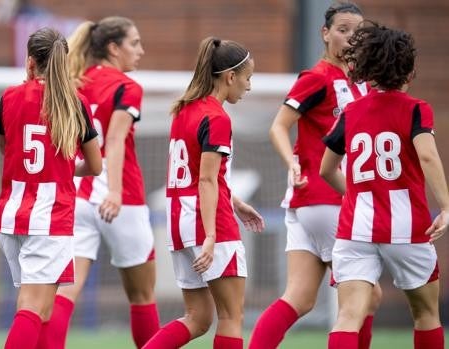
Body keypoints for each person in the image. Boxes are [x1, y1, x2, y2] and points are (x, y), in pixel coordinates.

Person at [249, 3, 381, 348]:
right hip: (328, 199)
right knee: (365, 296)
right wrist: (290, 163)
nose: (351, 37)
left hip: (311, 204)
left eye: (358, 31)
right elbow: (279, 126)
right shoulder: (316, 78)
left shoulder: (362, 81)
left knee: (300, 297)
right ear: (325, 34)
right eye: (343, 30)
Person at [320, 22, 447, 349]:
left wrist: (356, 195)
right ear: (408, 69)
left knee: (349, 315)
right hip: (408, 228)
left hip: (355, 229)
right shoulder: (417, 109)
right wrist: (446, 207)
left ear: (367, 67)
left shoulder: (351, 111)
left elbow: (326, 169)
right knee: (426, 314)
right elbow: (429, 158)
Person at [41, 16, 160, 349]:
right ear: (113, 47)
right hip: (122, 199)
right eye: (134, 43)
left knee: (66, 290)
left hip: (79, 195)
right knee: (142, 295)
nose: (141, 50)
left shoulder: (76, 82)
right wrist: (117, 192)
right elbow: (117, 138)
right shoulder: (127, 87)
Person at [143, 36, 264, 349]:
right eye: (248, 78)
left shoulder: (183, 110)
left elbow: (200, 173)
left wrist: (235, 201)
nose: (249, 86)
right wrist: (211, 235)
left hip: (179, 221)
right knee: (231, 317)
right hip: (207, 222)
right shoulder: (217, 117)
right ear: (230, 77)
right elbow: (206, 181)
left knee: (197, 318)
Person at [0, 27, 102, 349]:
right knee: (33, 308)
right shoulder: (74, 103)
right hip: (49, 218)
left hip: (12, 217)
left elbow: (6, 149)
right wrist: (65, 170)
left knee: (38, 309)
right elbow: (95, 166)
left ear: (30, 63)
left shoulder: (10, 97)